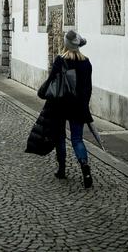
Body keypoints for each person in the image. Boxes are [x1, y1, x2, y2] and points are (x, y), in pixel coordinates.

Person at [49, 30, 94, 189]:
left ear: (66, 45)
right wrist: (84, 105)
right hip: (78, 106)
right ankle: (85, 169)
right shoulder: (86, 62)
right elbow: (88, 88)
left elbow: (51, 81)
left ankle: (61, 170)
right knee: (77, 139)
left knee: (60, 138)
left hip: (60, 106)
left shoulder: (60, 61)